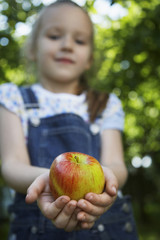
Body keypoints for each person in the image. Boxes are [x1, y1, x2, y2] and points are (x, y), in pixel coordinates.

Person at [0, 0, 139, 239]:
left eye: (80, 41)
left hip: (107, 226)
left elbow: (116, 164)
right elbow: (12, 165)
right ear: (32, 48)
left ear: (89, 59)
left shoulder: (106, 104)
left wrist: (107, 182)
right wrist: (50, 180)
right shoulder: (13, 98)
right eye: (55, 36)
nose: (67, 45)